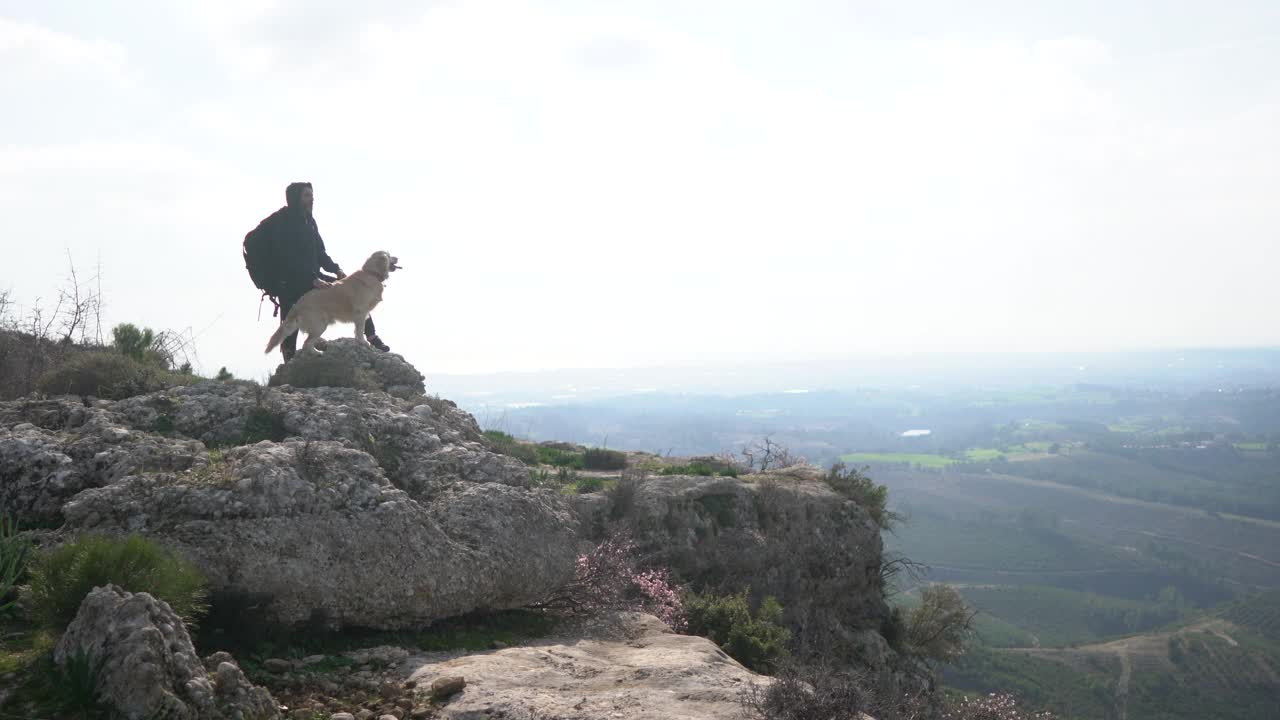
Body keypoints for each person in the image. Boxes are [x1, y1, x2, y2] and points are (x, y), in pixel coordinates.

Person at [271, 181, 391, 361]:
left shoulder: (309, 222)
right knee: (292, 318)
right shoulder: (285, 223)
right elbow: (288, 258)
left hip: (311, 276)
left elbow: (320, 253)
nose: (312, 199)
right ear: (295, 198)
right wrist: (312, 279)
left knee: (357, 293)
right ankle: (289, 360)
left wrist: (336, 270)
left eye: (312, 195)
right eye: (306, 195)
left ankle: (371, 336)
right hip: (289, 280)